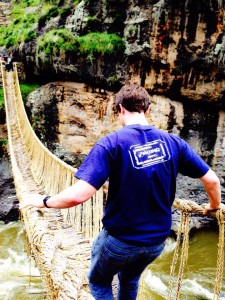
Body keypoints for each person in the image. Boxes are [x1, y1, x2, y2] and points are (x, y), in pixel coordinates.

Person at [19, 83, 221, 300]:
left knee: (98, 281)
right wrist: (213, 207)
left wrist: (44, 200)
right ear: (147, 110)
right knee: (129, 279)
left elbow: (79, 195)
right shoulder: (173, 142)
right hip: (156, 242)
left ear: (121, 109)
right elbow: (212, 181)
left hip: (120, 242)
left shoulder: (111, 144)